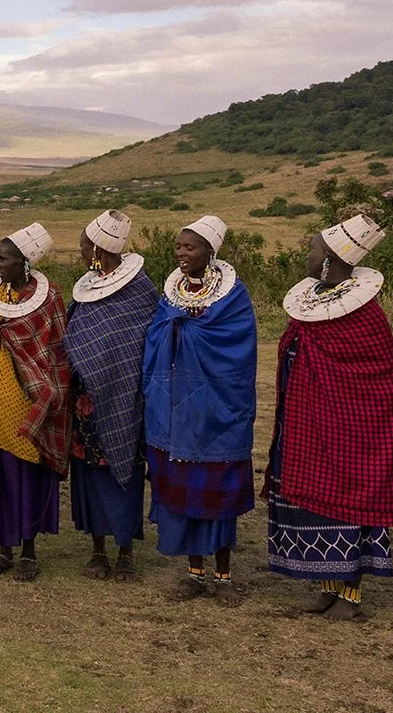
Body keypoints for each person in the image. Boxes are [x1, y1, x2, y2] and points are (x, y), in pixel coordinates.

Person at [267, 214, 393, 619]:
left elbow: (381, 373)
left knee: (346, 497)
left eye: (312, 250)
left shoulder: (364, 314)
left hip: (349, 425)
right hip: (307, 418)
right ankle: (328, 584)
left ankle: (352, 595)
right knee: (316, 497)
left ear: (329, 260)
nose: (307, 257)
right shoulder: (313, 302)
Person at [144, 215, 258, 605]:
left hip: (216, 413)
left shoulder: (232, 296)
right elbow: (156, 334)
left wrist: (190, 329)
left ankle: (224, 576)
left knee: (217, 497)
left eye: (189, 247)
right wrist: (176, 325)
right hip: (175, 413)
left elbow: (237, 347)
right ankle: (193, 572)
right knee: (182, 494)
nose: (181, 252)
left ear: (211, 251)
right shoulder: (172, 293)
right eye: (178, 246)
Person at [0, 223, 71, 582]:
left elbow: (54, 351)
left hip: (29, 398)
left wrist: (45, 391)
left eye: (3, 259)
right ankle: (2, 548)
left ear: (24, 263)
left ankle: (28, 550)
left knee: (25, 471)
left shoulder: (50, 297)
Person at [63, 209, 158, 583]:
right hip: (86, 402)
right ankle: (98, 549)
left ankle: (126, 551)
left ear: (100, 249)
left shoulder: (141, 291)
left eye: (85, 247)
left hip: (126, 399)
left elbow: (141, 344)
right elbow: (77, 336)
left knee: (126, 476)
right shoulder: (86, 289)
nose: (82, 254)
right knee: (88, 474)